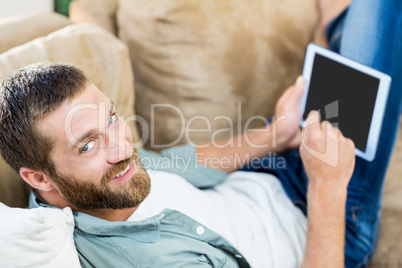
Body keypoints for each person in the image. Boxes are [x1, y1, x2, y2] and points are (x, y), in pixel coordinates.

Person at [0, 1, 401, 268]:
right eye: (87, 144)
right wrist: (328, 186)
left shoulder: (99, 178)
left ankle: (328, 38)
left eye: (111, 119)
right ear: (38, 178)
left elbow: (182, 163)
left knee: (346, 60)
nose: (122, 146)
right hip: (326, 218)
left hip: (274, 175)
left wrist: (277, 134)